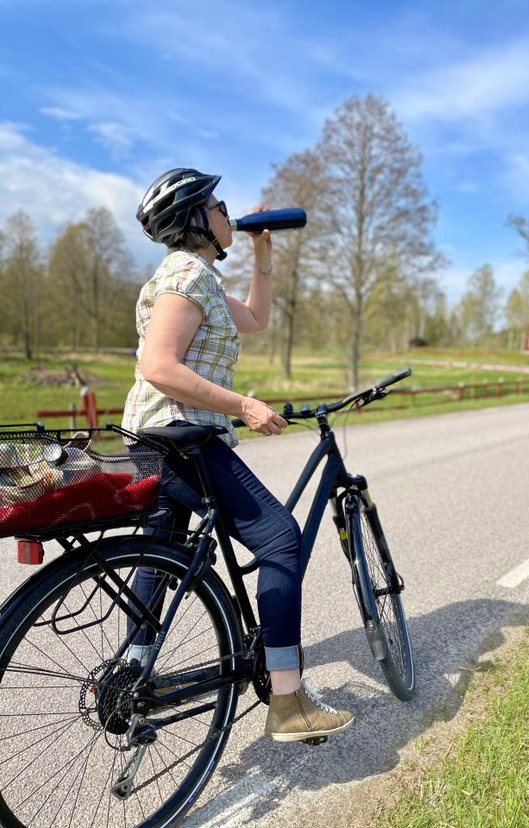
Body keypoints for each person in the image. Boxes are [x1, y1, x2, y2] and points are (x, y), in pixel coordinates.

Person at [122, 168, 353, 742]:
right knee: (280, 540)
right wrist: (243, 405)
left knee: (159, 555)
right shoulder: (186, 276)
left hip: (149, 437)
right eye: (219, 205)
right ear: (197, 218)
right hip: (183, 437)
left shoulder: (191, 274)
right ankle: (289, 701)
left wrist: (262, 254)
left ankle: (129, 679)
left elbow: (254, 319)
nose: (229, 211)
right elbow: (160, 367)